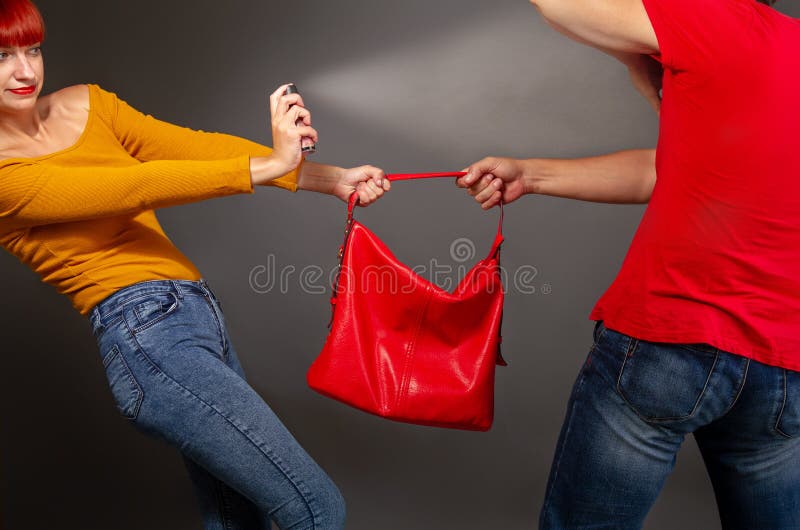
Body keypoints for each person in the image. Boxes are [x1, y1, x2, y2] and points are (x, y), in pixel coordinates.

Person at [0, 0, 392, 528]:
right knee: (314, 508)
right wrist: (273, 162)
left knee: (237, 522)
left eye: (33, 49)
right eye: (2, 56)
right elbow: (135, 185)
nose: (25, 70)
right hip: (146, 341)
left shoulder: (86, 104)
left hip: (197, 318)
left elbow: (188, 149)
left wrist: (329, 179)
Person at [459, 0, 799, 528]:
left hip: (670, 345)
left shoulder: (714, 15)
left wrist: (634, 58)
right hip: (785, 371)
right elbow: (670, 170)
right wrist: (531, 174)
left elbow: (562, 8)